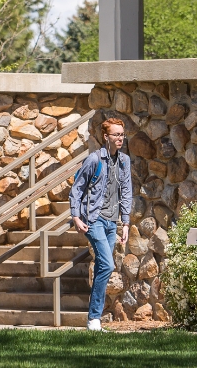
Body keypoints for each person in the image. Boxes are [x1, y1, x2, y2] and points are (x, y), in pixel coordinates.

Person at [69, 117, 132, 331]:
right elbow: (76, 190)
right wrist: (76, 217)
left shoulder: (124, 161)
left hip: (112, 222)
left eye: (122, 134)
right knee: (107, 264)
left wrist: (125, 222)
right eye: (116, 134)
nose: (120, 138)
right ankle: (94, 319)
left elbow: (126, 191)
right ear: (106, 137)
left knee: (104, 267)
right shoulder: (94, 160)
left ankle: (94, 319)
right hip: (94, 220)